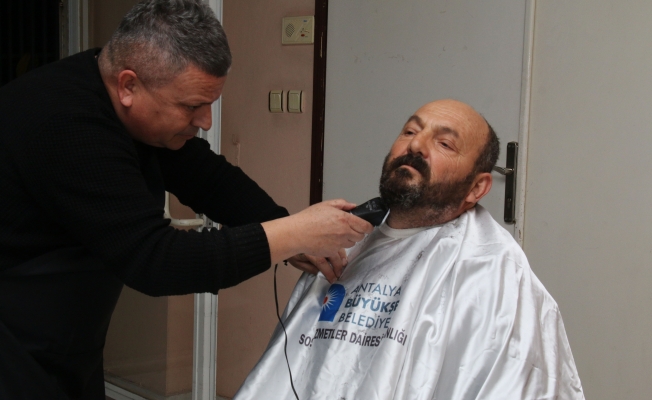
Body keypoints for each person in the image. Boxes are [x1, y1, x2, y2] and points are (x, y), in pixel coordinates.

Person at [0, 1, 371, 399]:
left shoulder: (130, 106)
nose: (206, 121)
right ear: (128, 86)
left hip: (65, 339)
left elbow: (208, 179)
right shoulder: (64, 121)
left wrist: (285, 227)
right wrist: (292, 233)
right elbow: (155, 260)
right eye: (192, 106)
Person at [235, 99, 585, 399]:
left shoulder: (493, 272)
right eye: (410, 131)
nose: (416, 145)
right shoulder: (339, 241)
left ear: (477, 189)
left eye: (444, 143)